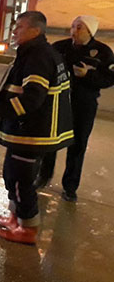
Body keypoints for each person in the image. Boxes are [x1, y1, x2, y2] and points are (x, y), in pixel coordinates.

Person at [0, 11, 73, 245]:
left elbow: (32, 100)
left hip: (32, 134)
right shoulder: (36, 53)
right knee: (12, 174)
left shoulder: (38, 57)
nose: (14, 31)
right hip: (27, 132)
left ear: (35, 31)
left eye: (19, 27)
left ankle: (28, 229)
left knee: (21, 179)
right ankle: (15, 217)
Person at [37, 16, 114, 202]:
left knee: (77, 145)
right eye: (72, 26)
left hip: (84, 105)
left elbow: (109, 79)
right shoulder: (59, 47)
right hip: (59, 102)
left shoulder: (103, 52)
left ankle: (70, 186)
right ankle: (43, 176)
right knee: (51, 141)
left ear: (90, 31)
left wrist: (88, 75)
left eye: (79, 27)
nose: (74, 30)